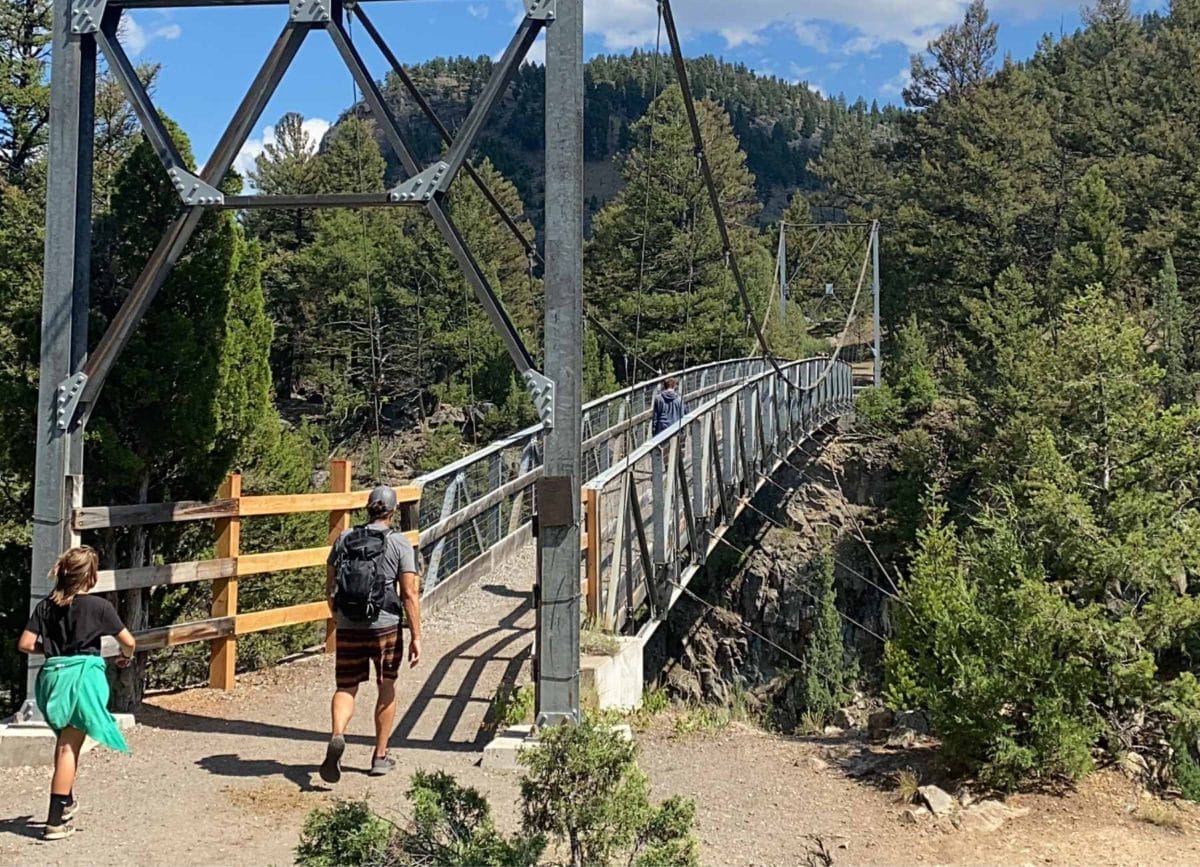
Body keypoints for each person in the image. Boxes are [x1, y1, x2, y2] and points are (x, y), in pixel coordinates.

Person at [17, 545, 136, 841]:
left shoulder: (45, 606)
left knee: (64, 741)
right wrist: (126, 657)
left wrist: (52, 650)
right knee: (69, 748)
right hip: (82, 680)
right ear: (90, 577)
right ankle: (54, 821)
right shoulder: (100, 607)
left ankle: (67, 801)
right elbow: (129, 641)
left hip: (51, 680)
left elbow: (26, 644)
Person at [320, 484, 422, 783]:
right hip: (385, 624)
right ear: (393, 511)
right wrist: (416, 635)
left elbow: (330, 585)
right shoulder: (399, 543)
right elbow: (409, 594)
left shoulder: (344, 538)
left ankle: (338, 734)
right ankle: (379, 756)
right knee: (386, 684)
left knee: (346, 686)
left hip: (348, 623)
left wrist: (339, 617)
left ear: (368, 508)